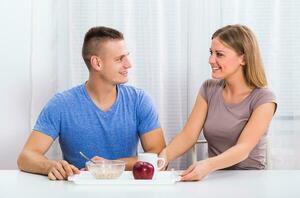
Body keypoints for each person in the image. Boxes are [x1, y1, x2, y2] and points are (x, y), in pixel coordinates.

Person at [17, 26, 166, 180]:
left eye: (127, 56)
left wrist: (112, 164)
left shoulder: (140, 101)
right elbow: (26, 156)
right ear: (97, 63)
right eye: (119, 59)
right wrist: (50, 166)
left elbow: (159, 156)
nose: (129, 64)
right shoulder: (61, 104)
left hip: (127, 190)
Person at [159, 24, 277, 181]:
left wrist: (207, 165)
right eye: (211, 53)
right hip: (216, 177)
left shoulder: (264, 98)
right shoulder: (209, 88)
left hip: (251, 179)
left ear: (243, 58)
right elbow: (188, 135)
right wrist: (163, 157)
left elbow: (243, 148)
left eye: (219, 54)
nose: (211, 60)